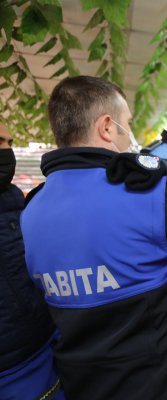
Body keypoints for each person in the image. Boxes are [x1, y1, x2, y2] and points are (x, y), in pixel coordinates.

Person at [20, 76, 167, 399]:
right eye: (126, 124)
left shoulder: (30, 213)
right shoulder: (147, 193)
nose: (129, 135)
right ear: (106, 126)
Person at [0, 123, 63, 400]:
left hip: (47, 348)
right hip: (11, 371)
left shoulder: (14, 198)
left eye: (9, 141)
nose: (8, 150)